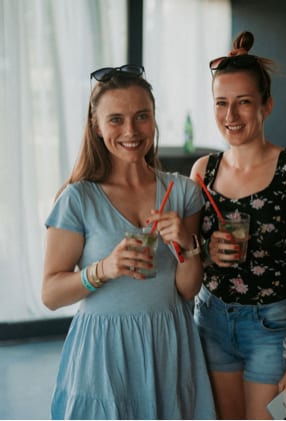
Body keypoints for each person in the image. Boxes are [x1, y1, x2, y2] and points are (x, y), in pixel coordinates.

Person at [42, 65, 215, 420]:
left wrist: (187, 243)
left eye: (141, 117)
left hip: (169, 345)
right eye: (116, 119)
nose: (131, 131)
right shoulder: (78, 199)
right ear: (96, 125)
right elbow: (50, 294)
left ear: (154, 119)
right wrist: (104, 269)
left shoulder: (182, 193)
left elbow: (187, 289)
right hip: (103, 355)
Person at [190, 31, 286, 420]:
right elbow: (183, 257)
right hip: (212, 318)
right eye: (221, 103)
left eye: (243, 102)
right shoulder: (203, 171)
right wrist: (205, 251)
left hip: (272, 324)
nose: (230, 116)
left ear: (266, 105)